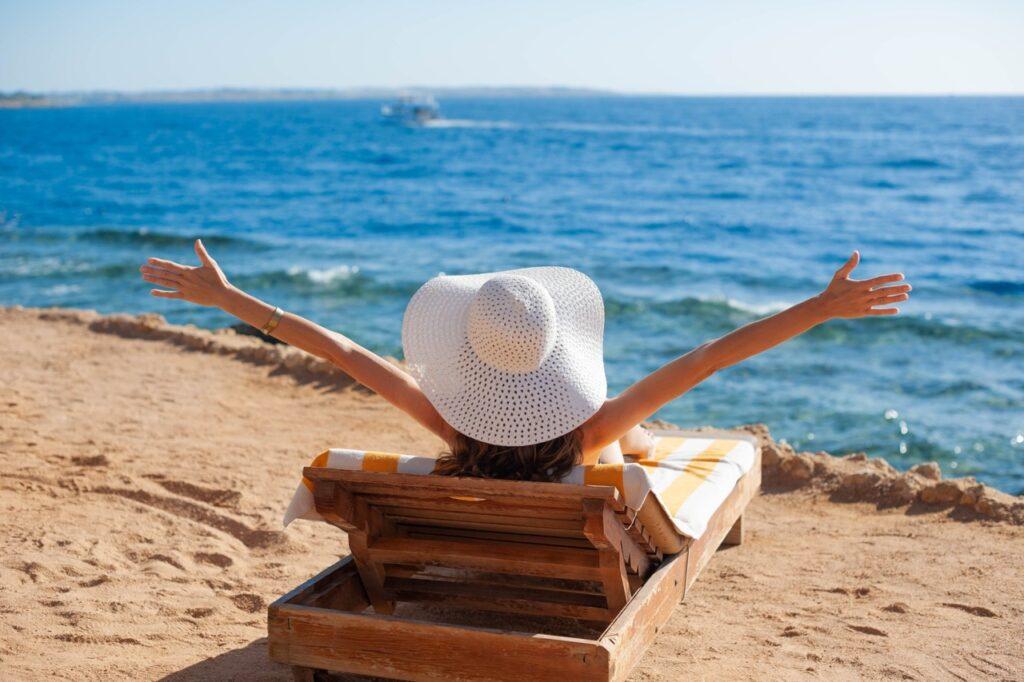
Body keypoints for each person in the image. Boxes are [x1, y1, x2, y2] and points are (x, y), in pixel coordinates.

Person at [140, 241, 909, 481]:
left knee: (628, 436)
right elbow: (708, 357)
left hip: (483, 490)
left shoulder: (448, 425)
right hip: (592, 476)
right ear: (552, 358)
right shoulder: (586, 435)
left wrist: (233, 299)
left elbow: (338, 350)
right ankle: (646, 443)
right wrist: (818, 307)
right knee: (636, 437)